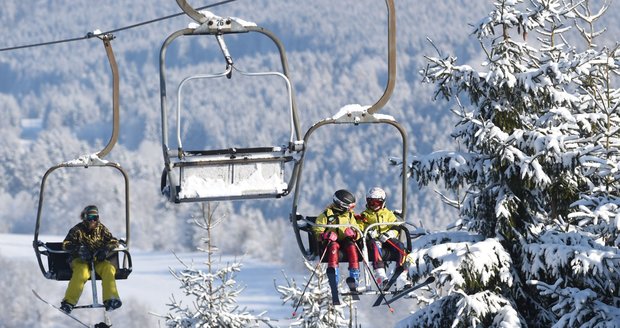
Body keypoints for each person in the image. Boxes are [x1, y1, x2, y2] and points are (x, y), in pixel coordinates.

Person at [59, 205, 122, 314]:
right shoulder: (77, 230)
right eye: (90, 217)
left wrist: (106, 249)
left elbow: (113, 241)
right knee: (82, 272)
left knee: (108, 268)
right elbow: (66, 244)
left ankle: (111, 299)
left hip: (97, 259)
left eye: (95, 217)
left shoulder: (101, 229)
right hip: (80, 260)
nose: (92, 220)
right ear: (84, 217)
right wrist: (79, 249)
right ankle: (68, 302)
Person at [313, 189, 361, 304]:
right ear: (342, 205)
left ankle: (354, 278)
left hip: (345, 241)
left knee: (352, 246)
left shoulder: (349, 216)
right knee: (333, 246)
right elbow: (317, 230)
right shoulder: (326, 215)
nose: (351, 209)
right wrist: (325, 235)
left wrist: (355, 233)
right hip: (331, 243)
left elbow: (358, 229)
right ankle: (333, 276)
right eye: (350, 206)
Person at [356, 187, 409, 289]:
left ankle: (401, 276)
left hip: (386, 239)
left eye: (377, 203)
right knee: (376, 245)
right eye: (371, 202)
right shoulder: (365, 215)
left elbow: (396, 226)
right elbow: (360, 227)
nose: (374, 205)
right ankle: (380, 276)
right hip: (374, 241)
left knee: (400, 246)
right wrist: (369, 232)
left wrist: (389, 234)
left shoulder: (388, 214)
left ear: (382, 202)